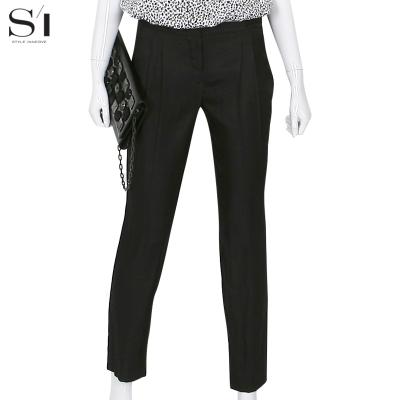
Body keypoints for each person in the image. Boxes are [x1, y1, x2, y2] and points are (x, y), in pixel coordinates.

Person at [89, 1, 311, 399]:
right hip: (161, 47)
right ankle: (121, 381)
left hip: (240, 43)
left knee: (244, 226)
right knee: (144, 224)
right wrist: (96, 75)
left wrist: (298, 80)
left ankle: (248, 387)